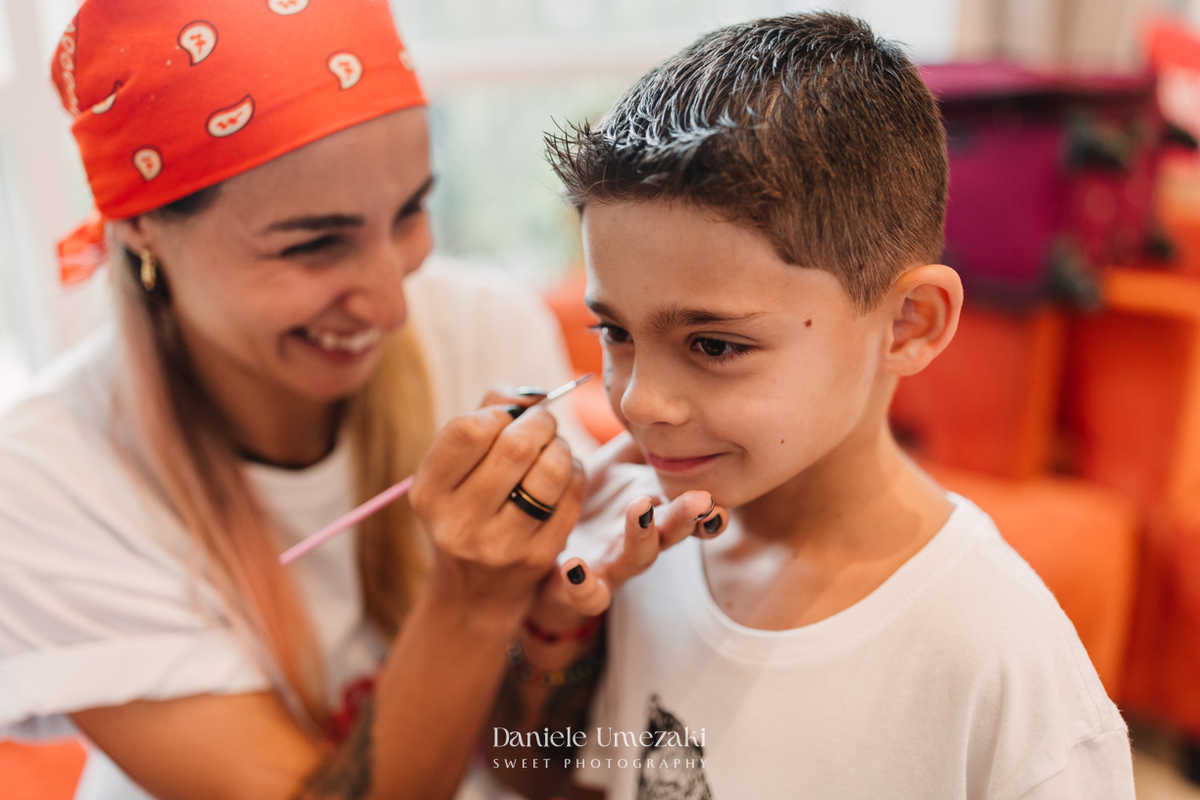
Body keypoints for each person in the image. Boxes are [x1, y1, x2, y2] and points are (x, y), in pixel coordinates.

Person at [0, 3, 705, 799]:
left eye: (410, 212)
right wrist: (471, 599)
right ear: (142, 232)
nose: (393, 308)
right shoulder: (41, 480)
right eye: (312, 244)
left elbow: (534, 763)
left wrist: (553, 624)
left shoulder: (480, 325)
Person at [527, 13, 1136, 799]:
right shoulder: (642, 549)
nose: (640, 402)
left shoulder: (1000, 669)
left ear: (909, 324)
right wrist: (546, 635)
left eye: (714, 345)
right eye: (613, 330)